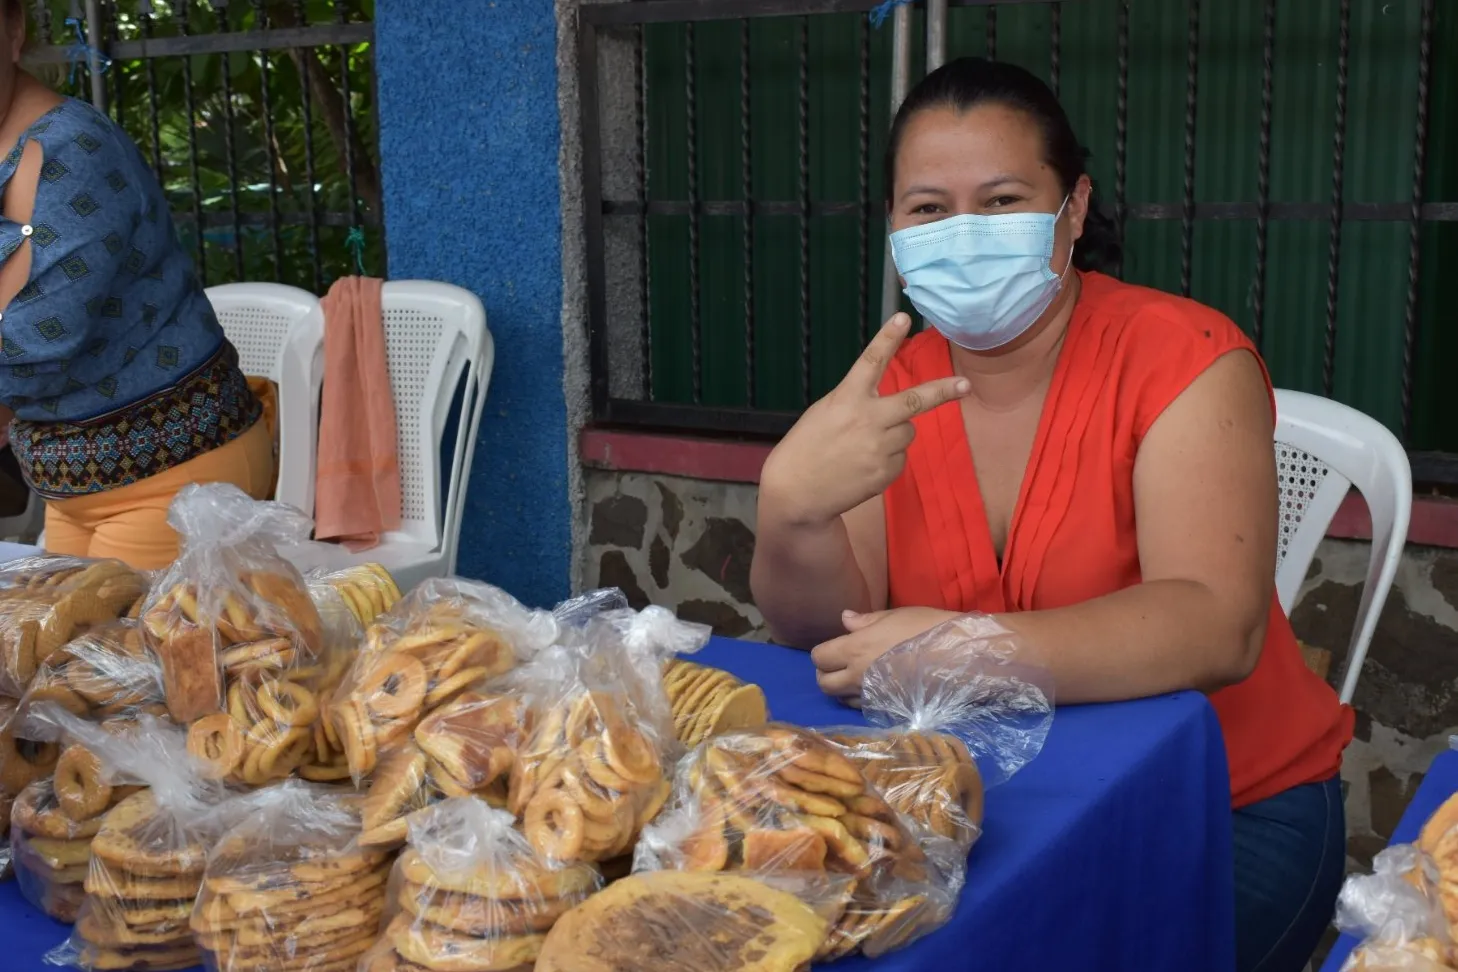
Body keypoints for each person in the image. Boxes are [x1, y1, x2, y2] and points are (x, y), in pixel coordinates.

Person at [750, 57, 1352, 972]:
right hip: (991, 803)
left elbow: (1215, 625)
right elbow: (828, 635)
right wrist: (791, 512)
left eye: (999, 201)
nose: (963, 232)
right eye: (928, 208)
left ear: (1071, 209)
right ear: (893, 228)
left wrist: (961, 646)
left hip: (1223, 802)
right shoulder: (894, 389)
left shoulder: (1184, 356)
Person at [0, 0, 273, 569]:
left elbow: (32, 344)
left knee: (128, 657)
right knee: (61, 657)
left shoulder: (65, 153)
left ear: (15, 28)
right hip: (71, 480)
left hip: (173, 480)